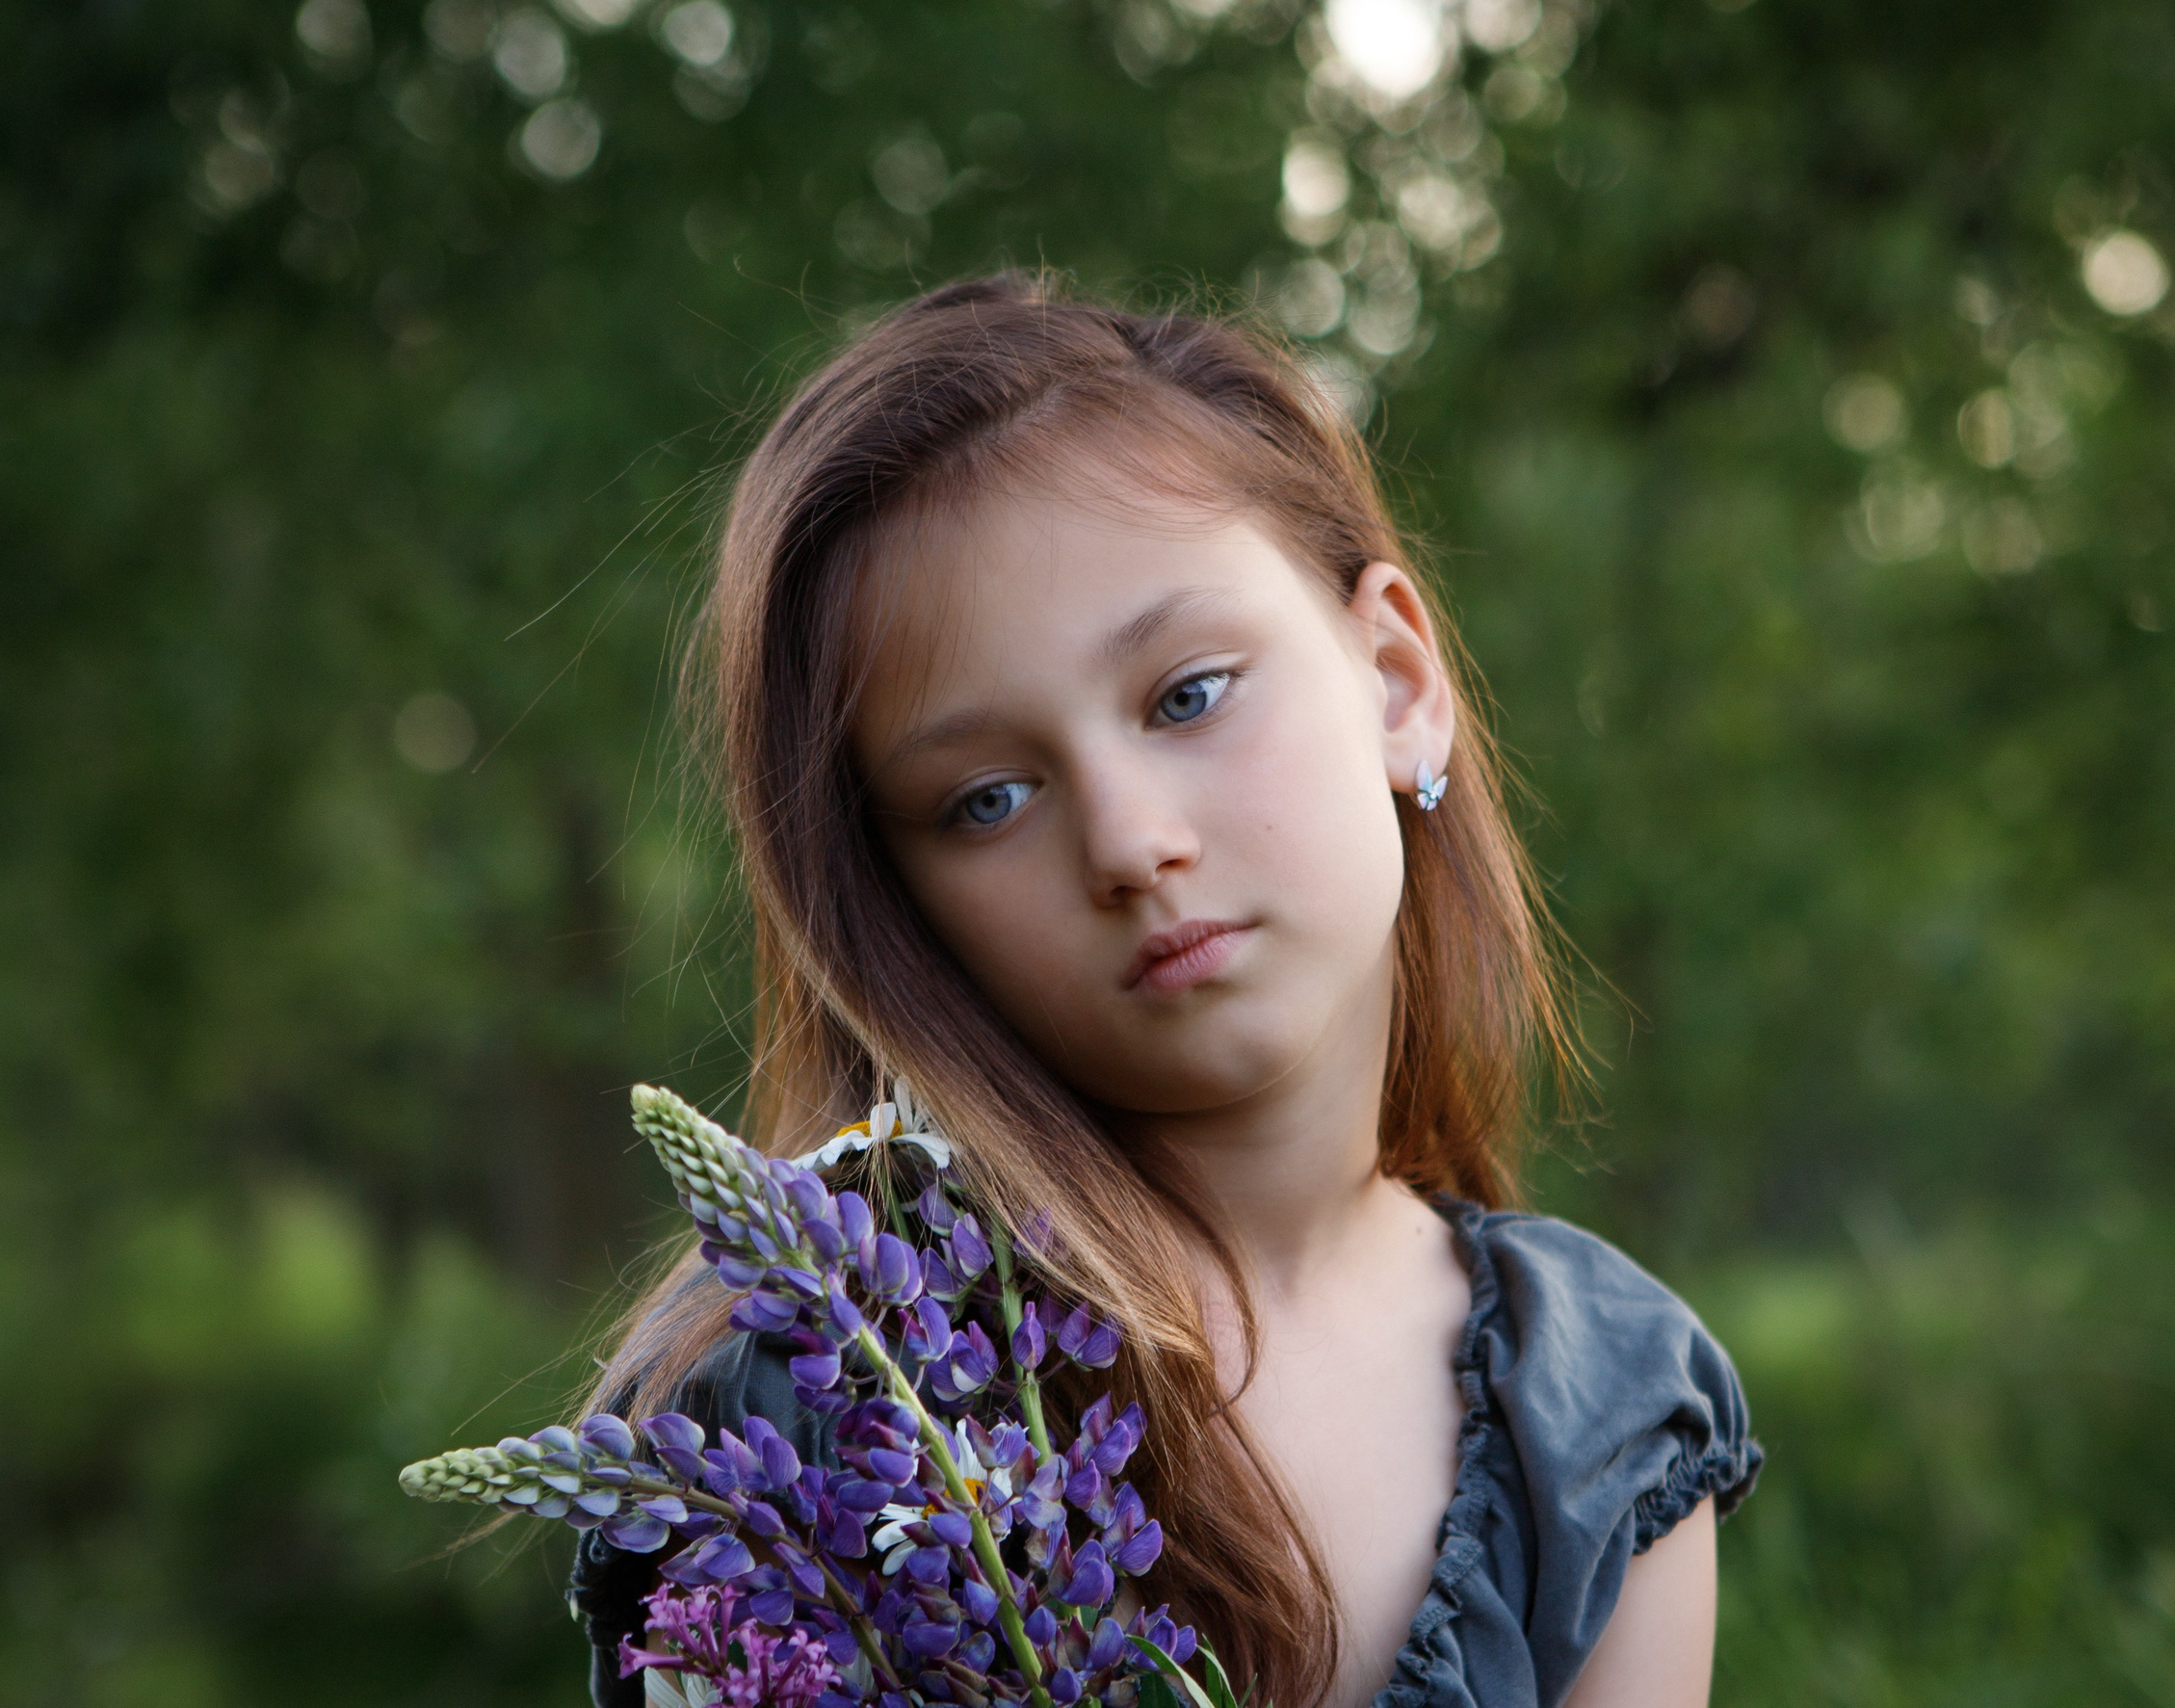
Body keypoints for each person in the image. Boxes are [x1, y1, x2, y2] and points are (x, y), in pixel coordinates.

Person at [566, 273, 1761, 1708]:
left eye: (1188, 694)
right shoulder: (818, 1374)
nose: (1133, 843)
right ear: (897, 908)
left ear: (1394, 678)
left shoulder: (1602, 1401)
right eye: (989, 796)